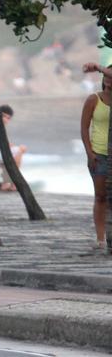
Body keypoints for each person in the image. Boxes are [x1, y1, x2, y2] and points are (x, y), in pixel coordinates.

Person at [81, 62, 112, 250]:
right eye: (107, 76)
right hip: (99, 154)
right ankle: (101, 238)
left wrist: (99, 67)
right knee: (100, 196)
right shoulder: (94, 99)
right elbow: (84, 128)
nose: (108, 79)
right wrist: (89, 153)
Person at [0, 105, 26, 191]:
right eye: (3, 116)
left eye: (8, 118)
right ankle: (14, 183)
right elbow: (5, 145)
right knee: (19, 151)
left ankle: (6, 183)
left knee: (8, 154)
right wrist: (20, 148)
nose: (5, 119)